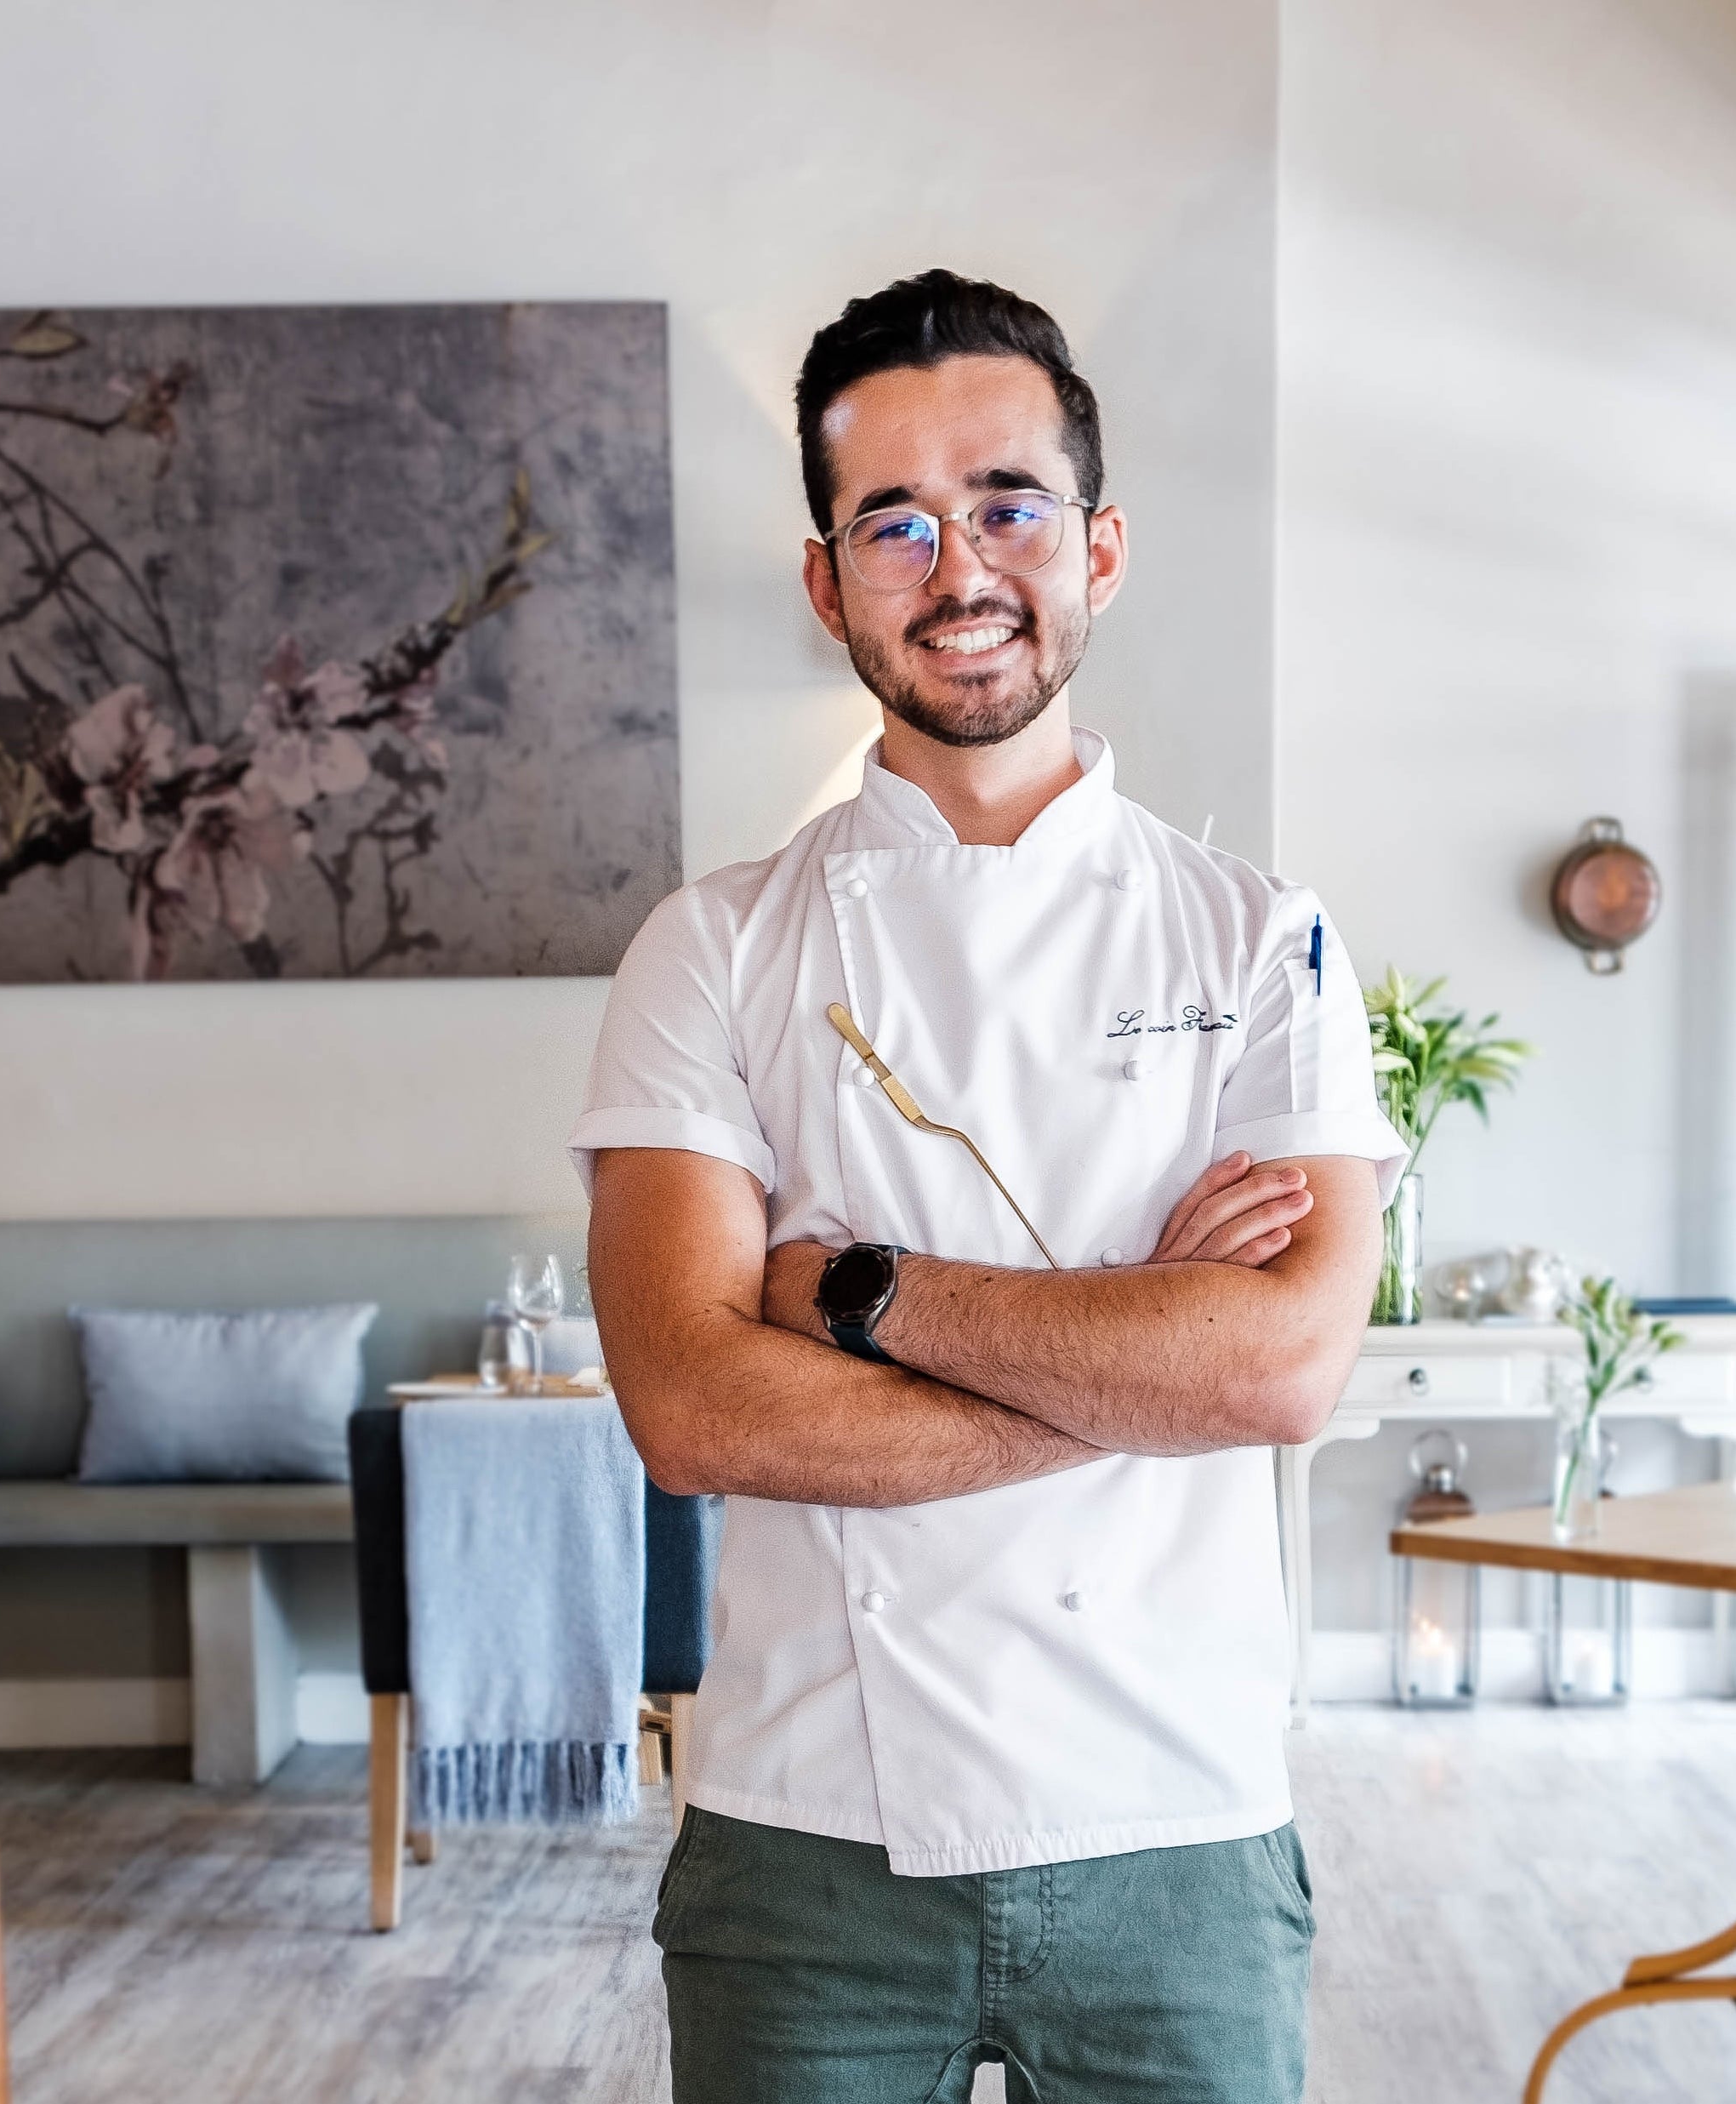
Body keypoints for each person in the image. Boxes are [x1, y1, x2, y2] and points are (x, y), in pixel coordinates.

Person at [571, 269, 1405, 2104]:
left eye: (1010, 504)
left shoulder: (1266, 940)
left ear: (1100, 548)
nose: (962, 567)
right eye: (896, 521)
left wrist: (858, 1297)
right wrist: (1133, 1370)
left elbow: (1277, 1377)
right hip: (806, 1845)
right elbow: (692, 1405)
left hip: (1178, 1827)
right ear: (828, 582)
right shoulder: (710, 951)